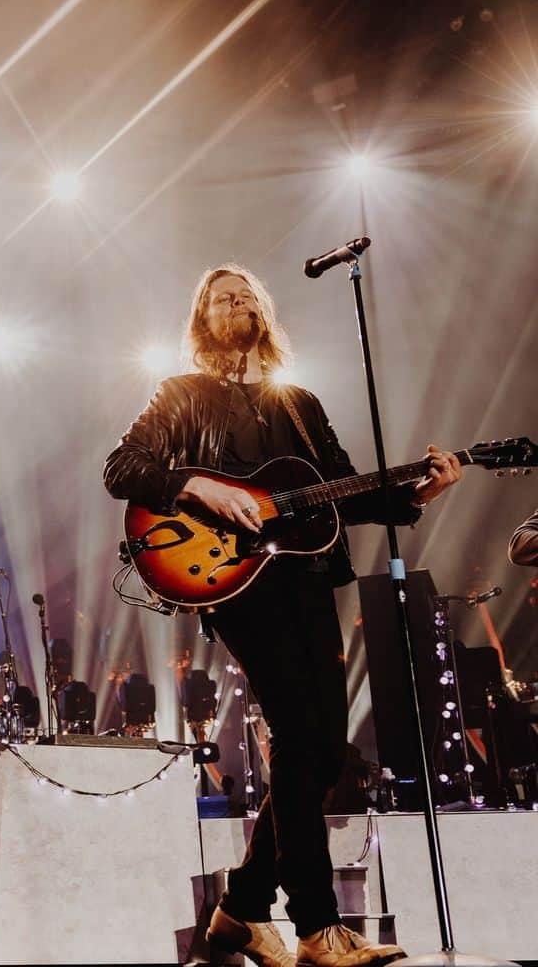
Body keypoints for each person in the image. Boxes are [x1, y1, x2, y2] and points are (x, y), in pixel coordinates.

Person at [104, 264, 461, 967]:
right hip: (234, 582)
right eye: (217, 296)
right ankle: (314, 927)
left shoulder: (300, 402)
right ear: (201, 320)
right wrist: (197, 483)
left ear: (264, 311)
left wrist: (422, 493)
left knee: (324, 749)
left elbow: (349, 493)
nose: (233, 302)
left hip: (304, 576)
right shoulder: (182, 395)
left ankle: (239, 910)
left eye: (244, 293)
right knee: (302, 734)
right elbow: (123, 468)